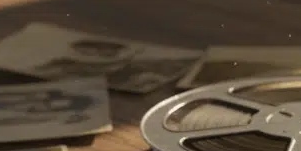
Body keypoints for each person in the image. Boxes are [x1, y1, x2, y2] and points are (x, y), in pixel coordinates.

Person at [34, 39, 195, 93]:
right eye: (89, 53)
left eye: (104, 53)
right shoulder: (57, 66)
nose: (95, 56)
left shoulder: (144, 70)